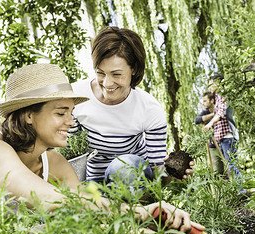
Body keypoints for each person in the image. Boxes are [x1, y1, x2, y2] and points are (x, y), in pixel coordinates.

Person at [0, 63, 204, 234]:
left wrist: (150, 228)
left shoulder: (55, 163)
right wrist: (139, 213)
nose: (71, 121)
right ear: (29, 114)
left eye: (72, 112)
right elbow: (52, 201)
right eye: (61, 112)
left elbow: (87, 215)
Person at [71, 26, 194, 184]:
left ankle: (130, 207)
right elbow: (70, 157)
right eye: (100, 73)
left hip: (132, 179)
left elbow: (157, 171)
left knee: (123, 168)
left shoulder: (148, 109)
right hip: (93, 183)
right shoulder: (76, 96)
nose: (107, 84)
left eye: (116, 74)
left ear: (134, 69)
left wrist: (174, 172)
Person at [203, 74, 243, 181]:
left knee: (232, 165)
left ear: (219, 83)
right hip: (222, 139)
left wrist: (210, 124)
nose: (210, 87)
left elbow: (220, 114)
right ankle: (238, 190)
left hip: (228, 137)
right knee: (229, 167)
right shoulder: (216, 98)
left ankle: (241, 192)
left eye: (211, 84)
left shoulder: (223, 96)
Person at [194, 92, 224, 175]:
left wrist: (216, 114)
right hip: (213, 145)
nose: (202, 103)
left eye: (205, 101)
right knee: (217, 170)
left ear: (212, 100)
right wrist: (212, 115)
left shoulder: (220, 110)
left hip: (223, 141)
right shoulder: (205, 112)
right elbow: (197, 120)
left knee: (228, 165)